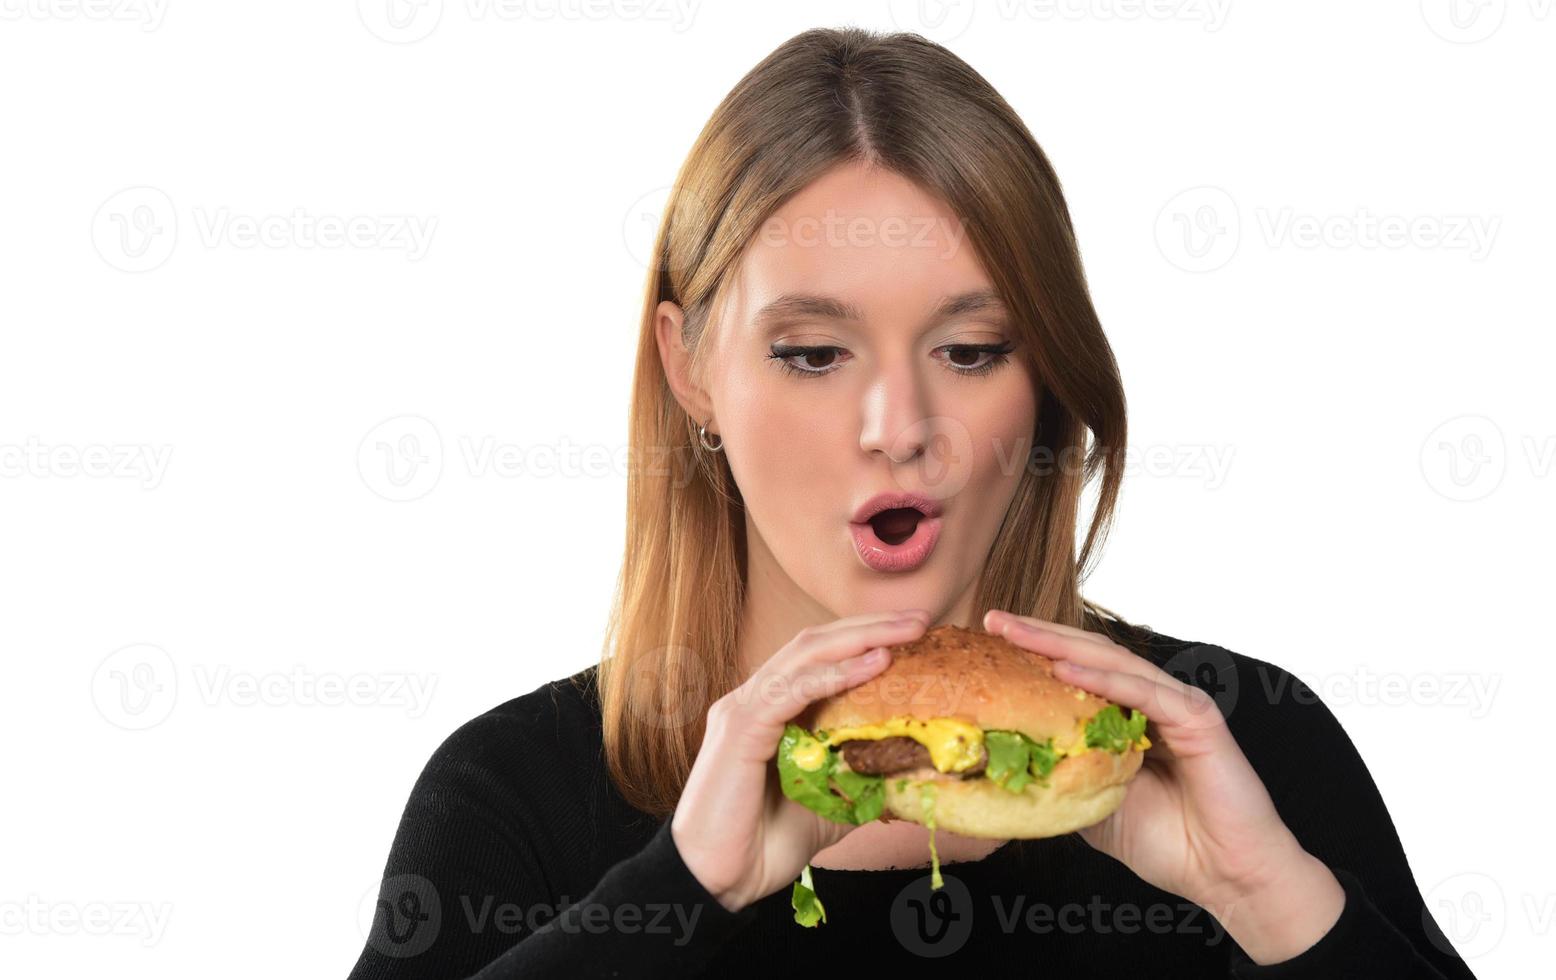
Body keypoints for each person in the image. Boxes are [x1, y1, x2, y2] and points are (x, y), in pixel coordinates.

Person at [345, 26, 1477, 979]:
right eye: (810, 352)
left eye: (972, 348)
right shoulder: (511, 797)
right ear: (689, 368)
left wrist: (1272, 903)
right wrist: (674, 892)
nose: (897, 423)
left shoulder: (1244, 747)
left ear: (1045, 381)